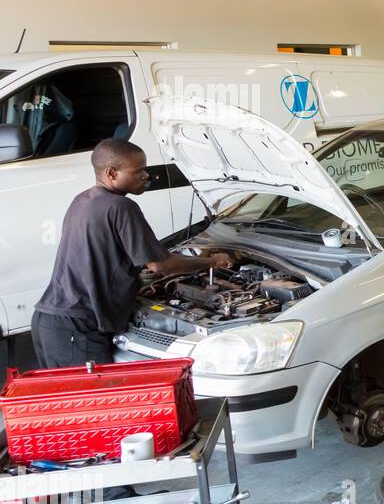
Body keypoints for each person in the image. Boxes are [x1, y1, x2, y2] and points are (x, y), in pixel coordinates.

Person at [30, 138, 234, 369]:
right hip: (79, 327)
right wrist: (212, 262)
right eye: (138, 171)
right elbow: (160, 265)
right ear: (112, 173)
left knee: (69, 402)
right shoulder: (121, 207)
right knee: (94, 402)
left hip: (53, 321)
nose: (146, 176)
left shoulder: (84, 200)